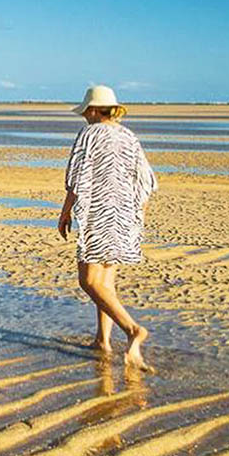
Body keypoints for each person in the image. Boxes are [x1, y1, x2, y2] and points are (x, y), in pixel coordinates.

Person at [57, 85, 158, 370]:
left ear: (91, 110)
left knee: (88, 281)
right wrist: (137, 215)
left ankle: (132, 330)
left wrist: (65, 213)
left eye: (85, 111)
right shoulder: (129, 136)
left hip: (98, 213)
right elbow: (146, 181)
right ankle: (103, 340)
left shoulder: (89, 135)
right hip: (125, 213)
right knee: (106, 283)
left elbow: (76, 179)